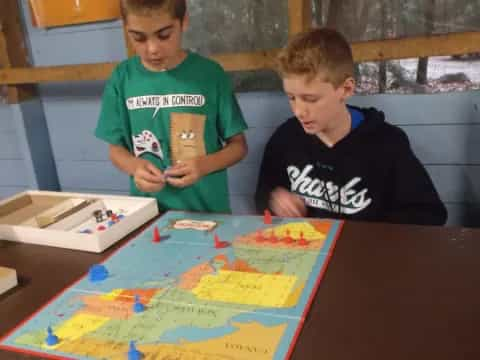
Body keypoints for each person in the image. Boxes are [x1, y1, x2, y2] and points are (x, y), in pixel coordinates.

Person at [255, 28, 447, 226]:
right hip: (306, 251)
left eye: (310, 99)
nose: (299, 111)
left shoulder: (387, 144)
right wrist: (274, 200)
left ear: (346, 89)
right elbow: (263, 195)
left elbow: (429, 214)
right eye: (291, 98)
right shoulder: (285, 138)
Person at [95, 0, 248, 213]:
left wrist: (203, 166)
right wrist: (135, 167)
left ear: (183, 22)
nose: (152, 49)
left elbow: (238, 146)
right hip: (149, 215)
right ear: (126, 28)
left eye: (164, 35)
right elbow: (115, 150)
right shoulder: (122, 78)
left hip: (207, 213)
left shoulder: (210, 74)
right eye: (138, 38)